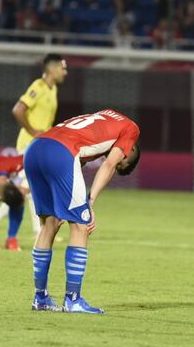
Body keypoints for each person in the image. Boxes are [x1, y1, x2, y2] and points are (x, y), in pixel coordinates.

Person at [24, 108, 141, 313]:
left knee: (49, 224)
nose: (116, 156)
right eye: (123, 160)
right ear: (130, 150)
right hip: (60, 151)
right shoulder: (131, 129)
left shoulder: (107, 116)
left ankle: (40, 297)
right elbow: (108, 166)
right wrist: (90, 202)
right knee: (81, 225)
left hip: (34, 148)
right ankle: (73, 300)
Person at [0, 54, 68, 247]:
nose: (65, 72)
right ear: (52, 68)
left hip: (40, 145)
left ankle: (38, 230)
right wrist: (34, 132)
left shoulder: (53, 89)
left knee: (34, 189)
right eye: (62, 68)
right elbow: (18, 109)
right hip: (29, 145)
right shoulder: (38, 87)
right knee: (27, 187)